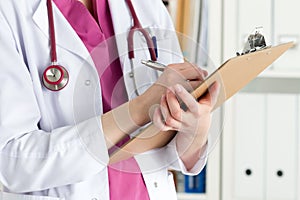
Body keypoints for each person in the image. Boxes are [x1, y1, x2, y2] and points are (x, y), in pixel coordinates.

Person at [0, 0, 219, 199]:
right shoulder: (9, 11)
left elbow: (171, 152)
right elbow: (10, 163)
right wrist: (139, 110)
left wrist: (194, 130)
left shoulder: (147, 6)